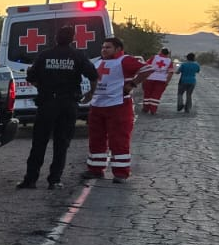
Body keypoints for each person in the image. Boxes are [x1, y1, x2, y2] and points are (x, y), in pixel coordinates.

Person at [17, 28, 98, 190]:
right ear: (73, 39)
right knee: (62, 143)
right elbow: (94, 76)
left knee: (39, 142)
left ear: (55, 38)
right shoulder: (78, 56)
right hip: (68, 104)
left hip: (47, 103)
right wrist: (90, 93)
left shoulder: (44, 55)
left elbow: (31, 77)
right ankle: (54, 180)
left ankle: (30, 180)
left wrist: (44, 88)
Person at [84, 36, 152, 182]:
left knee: (119, 140)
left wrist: (133, 84)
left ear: (118, 49)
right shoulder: (99, 62)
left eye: (108, 47)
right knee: (96, 139)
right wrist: (90, 94)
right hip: (97, 106)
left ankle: (121, 173)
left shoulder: (125, 60)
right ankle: (95, 169)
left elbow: (148, 68)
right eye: (103, 47)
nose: (104, 50)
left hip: (118, 106)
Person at [141, 47, 175, 115]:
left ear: (161, 51)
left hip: (150, 77)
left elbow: (146, 66)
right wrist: (167, 82)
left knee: (147, 94)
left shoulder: (154, 57)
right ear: (168, 53)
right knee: (156, 95)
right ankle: (153, 110)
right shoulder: (169, 61)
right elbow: (170, 73)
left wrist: (143, 77)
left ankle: (146, 108)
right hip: (161, 80)